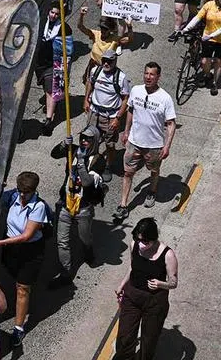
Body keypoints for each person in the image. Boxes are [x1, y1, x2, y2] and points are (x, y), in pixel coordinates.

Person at [109, 218, 179, 360]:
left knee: (149, 337)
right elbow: (132, 268)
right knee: (125, 335)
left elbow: (174, 282)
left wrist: (161, 284)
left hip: (154, 302)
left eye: (145, 241)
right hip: (132, 296)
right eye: (138, 239)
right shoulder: (135, 245)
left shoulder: (168, 254)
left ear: (153, 238)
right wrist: (121, 286)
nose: (141, 244)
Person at [0, 171, 47, 348]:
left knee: (22, 288)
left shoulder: (38, 207)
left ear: (34, 191)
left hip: (29, 250)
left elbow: (26, 236)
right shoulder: (13, 196)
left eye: (26, 192)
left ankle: (18, 328)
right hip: (11, 249)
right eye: (20, 191)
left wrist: (0, 242)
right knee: (11, 274)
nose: (22, 195)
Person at [116, 63, 176, 219]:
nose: (148, 77)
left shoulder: (165, 98)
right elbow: (131, 110)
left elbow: (171, 124)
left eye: (152, 74)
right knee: (128, 173)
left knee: (154, 170)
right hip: (134, 142)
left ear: (158, 77)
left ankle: (152, 191)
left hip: (154, 145)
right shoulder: (136, 90)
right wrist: (127, 131)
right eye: (146, 73)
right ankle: (123, 205)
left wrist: (167, 146)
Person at [49, 127, 107, 289]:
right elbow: (54, 154)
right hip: (66, 205)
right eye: (82, 137)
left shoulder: (98, 160)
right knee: (62, 241)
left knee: (84, 237)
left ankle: (88, 251)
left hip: (83, 207)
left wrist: (81, 162)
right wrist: (63, 145)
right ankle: (66, 273)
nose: (83, 141)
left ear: (95, 142)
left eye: (88, 139)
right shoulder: (73, 150)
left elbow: (88, 182)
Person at [85, 49, 131, 182]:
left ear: (114, 61)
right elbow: (90, 83)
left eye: (109, 61)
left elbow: (125, 99)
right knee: (90, 139)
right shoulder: (96, 71)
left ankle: (107, 166)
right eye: (104, 60)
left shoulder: (121, 77)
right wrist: (86, 99)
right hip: (95, 112)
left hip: (110, 116)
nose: (106, 63)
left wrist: (117, 118)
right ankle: (90, 163)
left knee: (109, 144)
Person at [181, 0, 221, 95]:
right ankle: (207, 75)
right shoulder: (209, 5)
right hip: (208, 37)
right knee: (204, 61)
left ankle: (215, 83)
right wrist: (185, 29)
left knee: (218, 61)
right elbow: (198, 17)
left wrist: (210, 36)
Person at [33, 5, 72, 135]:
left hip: (54, 63)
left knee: (51, 90)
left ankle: (49, 120)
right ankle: (55, 104)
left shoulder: (64, 28)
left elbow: (68, 50)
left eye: (56, 14)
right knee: (47, 88)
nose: (53, 16)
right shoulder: (41, 22)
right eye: (52, 12)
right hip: (40, 63)